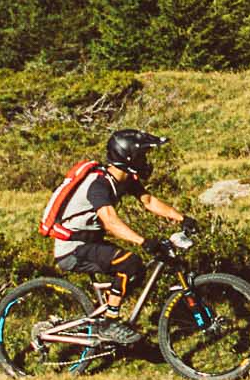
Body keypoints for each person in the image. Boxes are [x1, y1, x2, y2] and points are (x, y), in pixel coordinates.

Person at [48, 128, 186, 344]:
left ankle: (106, 316)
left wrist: (182, 218)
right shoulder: (98, 185)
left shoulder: (123, 179)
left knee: (137, 270)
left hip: (88, 243)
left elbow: (148, 201)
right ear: (128, 157)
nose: (145, 161)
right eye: (141, 156)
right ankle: (110, 323)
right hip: (72, 248)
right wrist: (143, 241)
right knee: (130, 263)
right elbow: (110, 221)